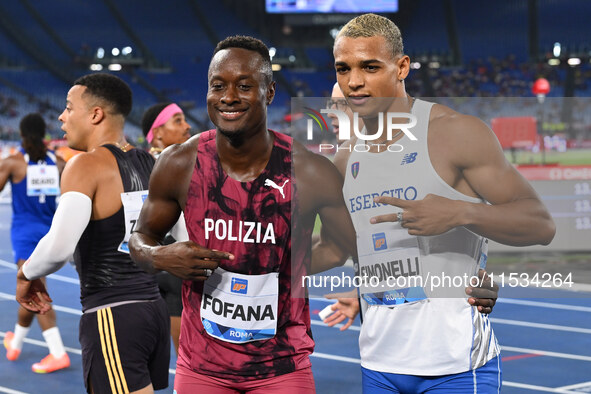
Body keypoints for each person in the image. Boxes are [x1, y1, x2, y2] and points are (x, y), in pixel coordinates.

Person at [319, 13, 556, 392]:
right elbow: (338, 248)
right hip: (377, 363)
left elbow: (541, 224)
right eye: (343, 69)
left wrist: (461, 212)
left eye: (369, 67)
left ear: (401, 68)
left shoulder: (455, 133)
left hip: (455, 365)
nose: (354, 82)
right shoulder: (344, 161)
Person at [128, 35, 359, 393]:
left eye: (245, 86)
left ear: (269, 92)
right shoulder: (179, 163)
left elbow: (339, 246)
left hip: (281, 365)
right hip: (201, 367)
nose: (229, 97)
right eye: (218, 85)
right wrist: (160, 256)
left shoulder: (310, 172)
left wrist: (287, 265)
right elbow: (139, 240)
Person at [15, 73, 170, 394]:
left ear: (96, 114)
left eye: (69, 108)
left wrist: (26, 273)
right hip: (153, 310)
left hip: (111, 313)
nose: (61, 116)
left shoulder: (85, 165)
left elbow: (58, 248)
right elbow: (174, 237)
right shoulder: (151, 163)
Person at [0, 113, 70, 373]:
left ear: (21, 134)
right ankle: (15, 343)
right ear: (44, 134)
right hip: (50, 232)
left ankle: (58, 353)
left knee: (35, 291)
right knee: (30, 288)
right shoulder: (60, 163)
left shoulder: (13, 163)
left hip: (24, 234)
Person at [141, 102, 192, 355]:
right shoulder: (181, 165)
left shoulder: (138, 166)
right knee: (193, 357)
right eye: (178, 120)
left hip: (156, 266)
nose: (187, 126)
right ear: (157, 132)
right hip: (181, 266)